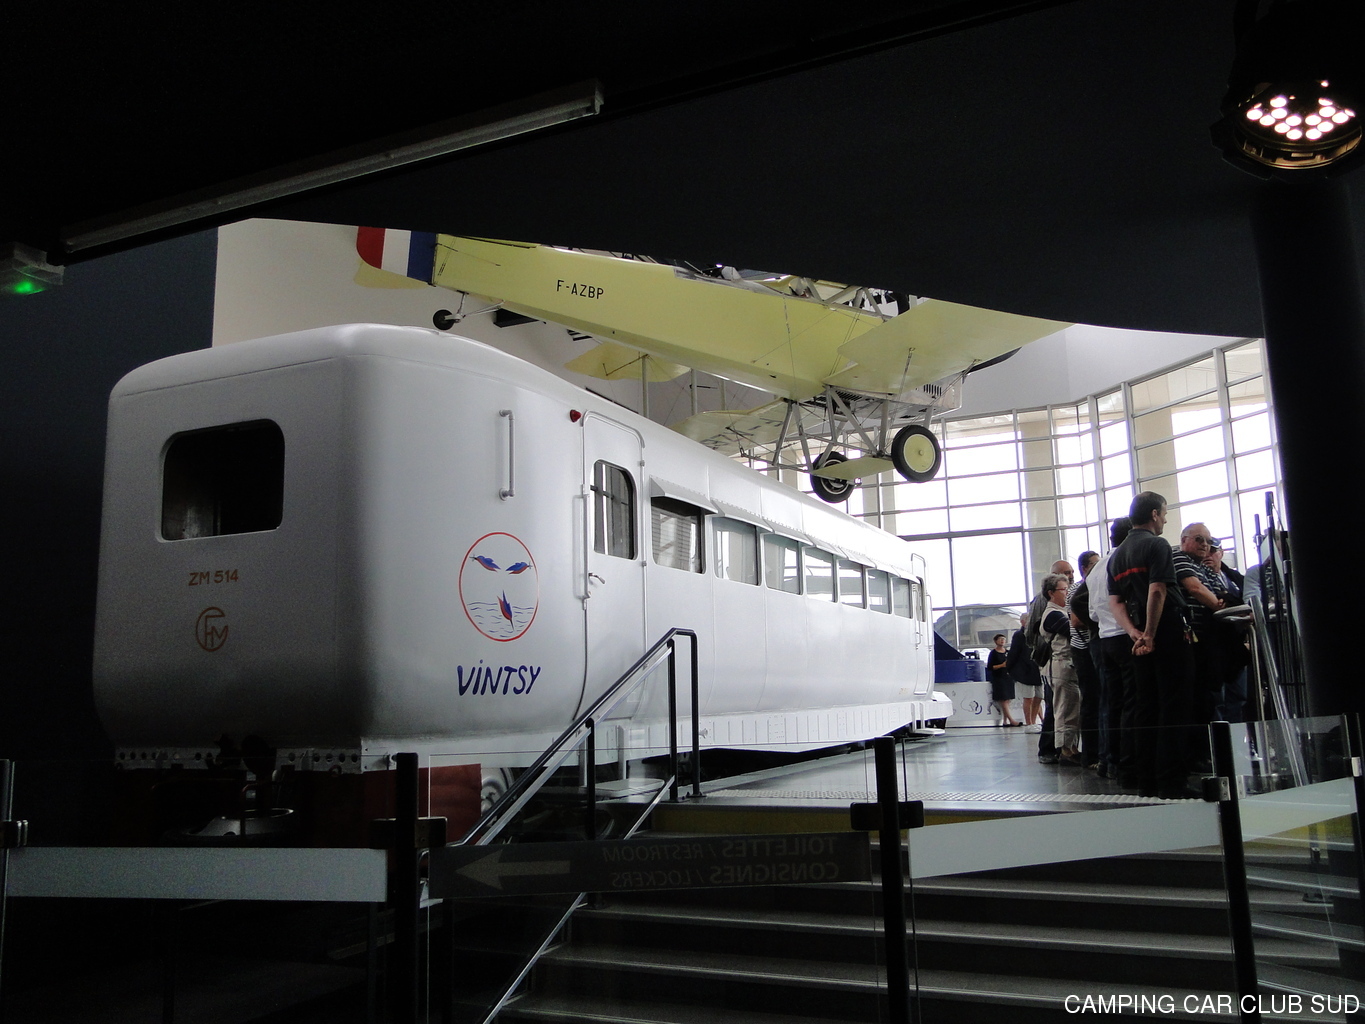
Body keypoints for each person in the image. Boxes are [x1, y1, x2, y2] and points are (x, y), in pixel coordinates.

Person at [1107, 491, 1199, 800]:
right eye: (1165, 513)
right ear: (1155, 515)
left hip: (1136, 637)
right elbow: (1158, 590)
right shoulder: (1157, 545)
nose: (1166, 520)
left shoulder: (1117, 555)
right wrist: (1150, 632)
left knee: (1145, 706)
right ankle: (1171, 780)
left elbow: (1116, 602)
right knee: (1174, 705)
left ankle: (1146, 779)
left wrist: (1134, 632)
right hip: (1166, 631)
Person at [1088, 516, 1133, 780]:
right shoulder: (1125, 561)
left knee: (1110, 703)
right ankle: (1127, 762)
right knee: (1131, 703)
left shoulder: (1096, 569)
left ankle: (1109, 760)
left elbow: (1092, 613)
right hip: (1126, 636)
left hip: (1104, 639)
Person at [1172, 522, 1227, 726]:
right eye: (1199, 539)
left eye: (1208, 541)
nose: (1205, 544)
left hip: (1209, 639)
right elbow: (1196, 589)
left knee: (1213, 697)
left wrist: (1220, 602)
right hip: (1190, 640)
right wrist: (1219, 605)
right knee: (1197, 698)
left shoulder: (1204, 567)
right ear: (1184, 540)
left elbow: (1221, 593)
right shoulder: (1179, 557)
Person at [1027, 560, 1073, 761]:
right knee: (1055, 706)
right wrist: (1043, 647)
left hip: (1058, 661)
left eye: (1071, 572)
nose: (1071, 576)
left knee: (1062, 706)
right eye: (1066, 573)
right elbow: (1032, 631)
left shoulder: (1067, 600)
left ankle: (1060, 747)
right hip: (1051, 660)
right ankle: (1048, 749)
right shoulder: (1043, 604)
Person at [1042, 571, 1083, 766]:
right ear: (1051, 593)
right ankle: (1065, 749)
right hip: (1061, 665)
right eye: (1064, 590)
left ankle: (1072, 747)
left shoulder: (1061, 612)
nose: (1067, 593)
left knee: (1073, 709)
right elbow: (1071, 630)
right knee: (1065, 709)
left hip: (1068, 665)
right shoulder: (1052, 614)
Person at [1068, 550, 1101, 768]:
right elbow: (1076, 621)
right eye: (1094, 565)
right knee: (1091, 701)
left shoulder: (1094, 586)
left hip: (1093, 649)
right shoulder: (1076, 590)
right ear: (1084, 568)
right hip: (1083, 651)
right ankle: (1091, 754)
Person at [1006, 613, 1044, 729]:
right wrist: (1009, 668)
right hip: (1025, 671)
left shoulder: (1037, 633)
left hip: (1037, 669)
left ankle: (1033, 721)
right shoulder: (1019, 635)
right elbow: (1014, 652)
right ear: (1022, 622)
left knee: (1039, 697)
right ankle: (1029, 723)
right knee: (1028, 697)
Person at [986, 633, 1020, 725]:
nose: (1002, 641)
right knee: (1003, 699)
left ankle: (1005, 721)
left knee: (1007, 700)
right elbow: (990, 667)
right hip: (999, 678)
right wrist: (1002, 665)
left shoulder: (1007, 652)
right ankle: (1011, 720)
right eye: (1000, 639)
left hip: (1008, 677)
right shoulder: (993, 653)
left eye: (1004, 639)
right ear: (995, 641)